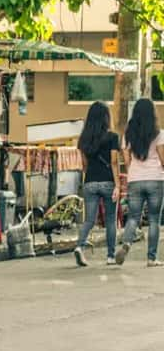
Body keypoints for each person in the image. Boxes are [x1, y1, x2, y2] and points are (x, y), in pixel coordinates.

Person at [115, 98, 164, 267]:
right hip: (155, 179)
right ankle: (151, 258)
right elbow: (163, 159)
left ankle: (127, 243)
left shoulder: (128, 134)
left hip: (135, 179)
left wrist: (134, 172)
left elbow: (127, 160)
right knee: (153, 220)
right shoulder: (159, 133)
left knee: (133, 217)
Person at [73, 102, 120, 267]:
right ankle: (110, 257)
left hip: (90, 183)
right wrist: (118, 185)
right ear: (106, 117)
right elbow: (114, 162)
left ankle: (79, 246)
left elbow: (84, 165)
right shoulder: (113, 137)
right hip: (108, 182)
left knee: (89, 220)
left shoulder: (83, 139)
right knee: (110, 221)